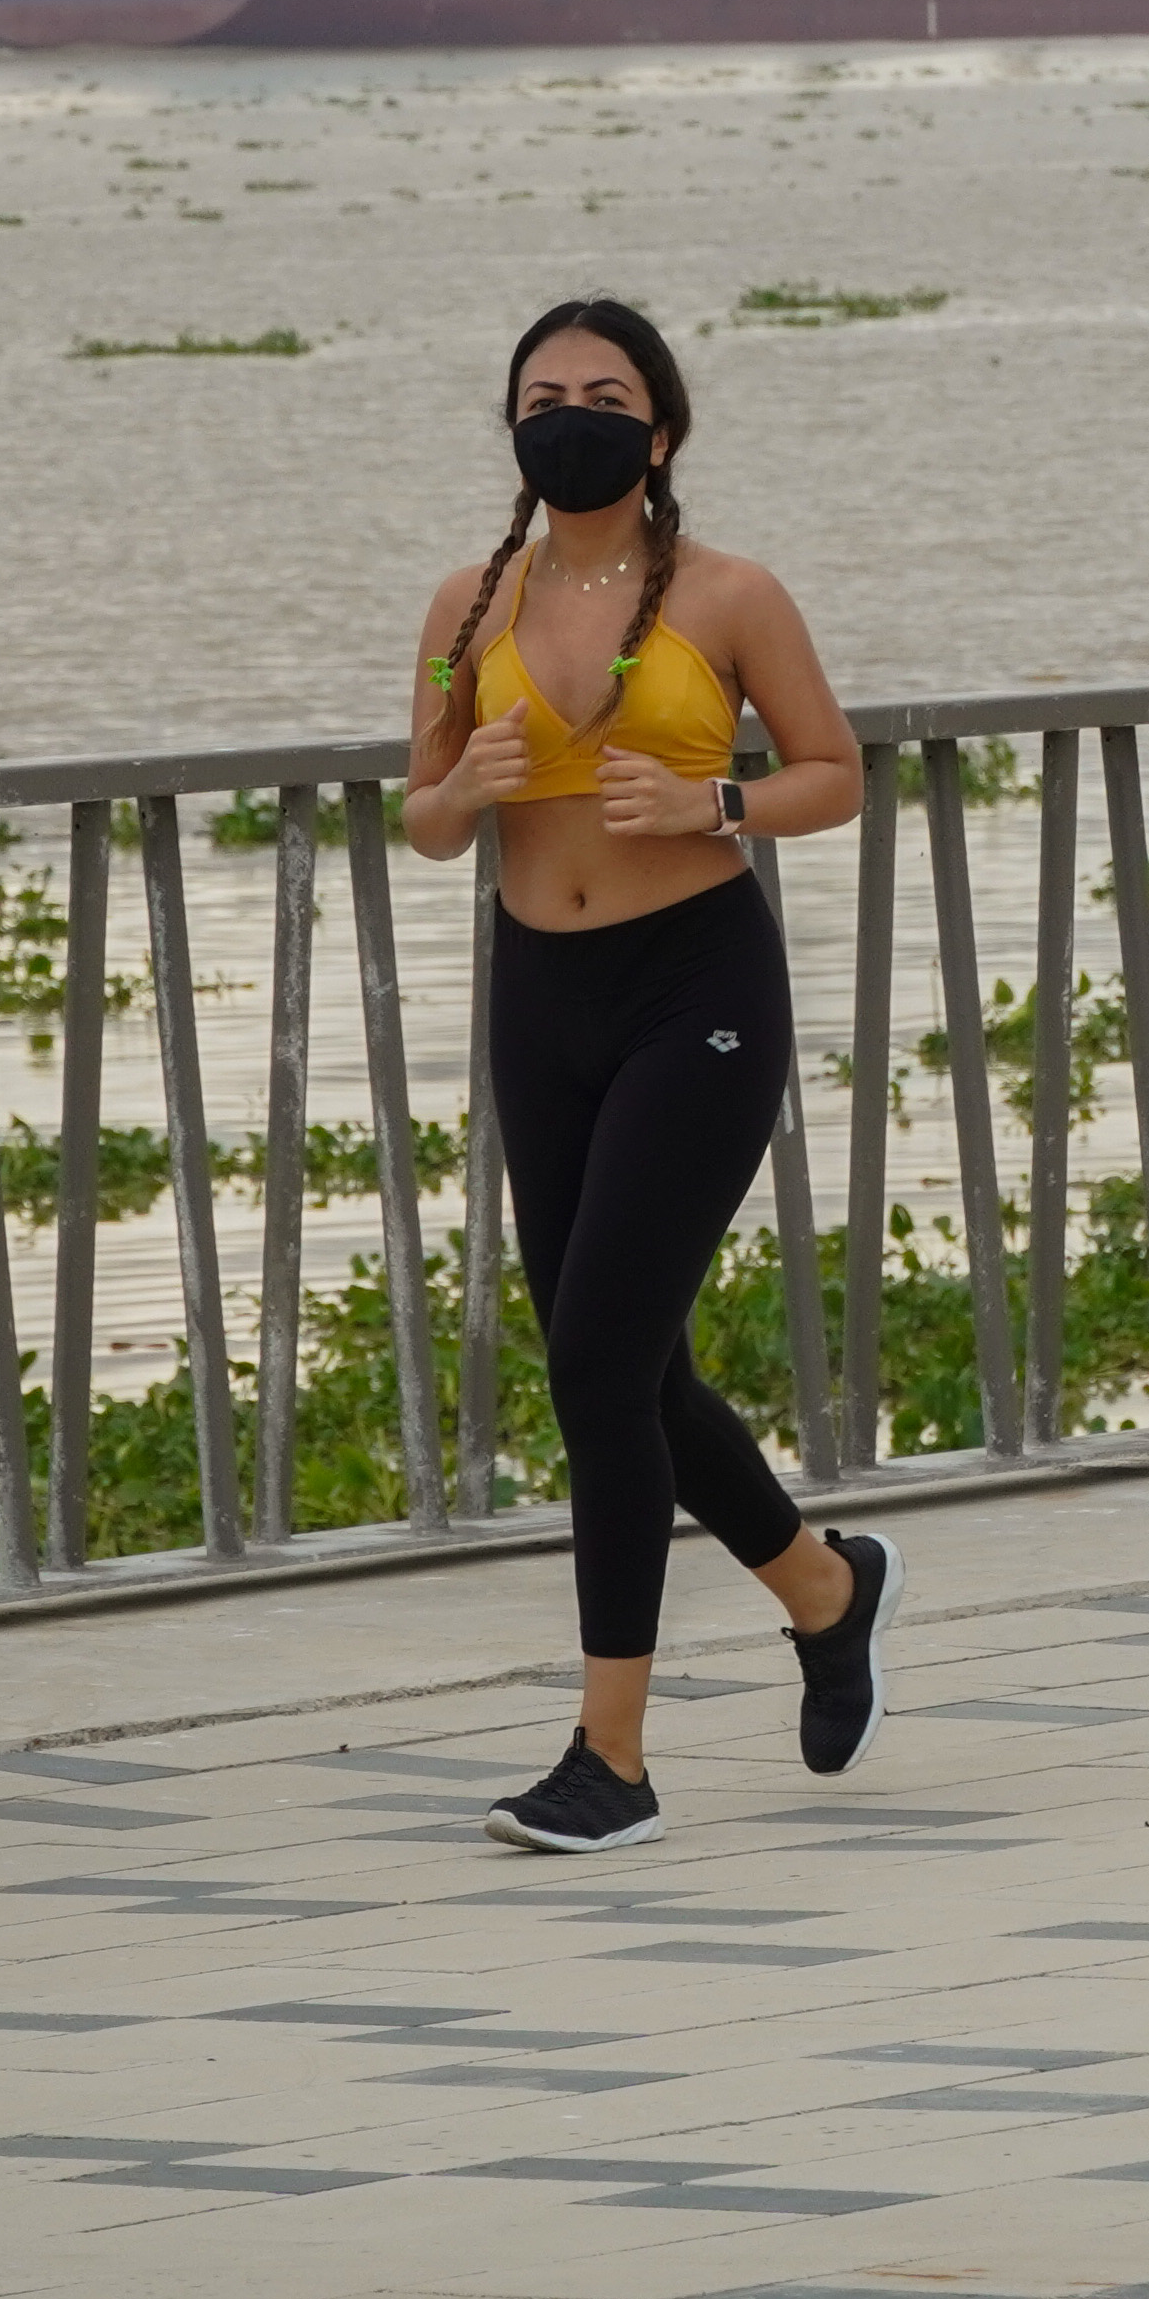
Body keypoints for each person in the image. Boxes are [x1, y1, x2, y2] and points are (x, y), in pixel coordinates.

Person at [398, 296, 902, 1850]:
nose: (571, 415)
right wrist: (465, 789)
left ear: (660, 428)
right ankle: (822, 1586)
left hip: (696, 988)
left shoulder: (732, 595)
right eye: (542, 393)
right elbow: (415, 813)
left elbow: (835, 772)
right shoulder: (464, 608)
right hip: (538, 994)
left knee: (602, 1367)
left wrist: (720, 807)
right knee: (622, 1363)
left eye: (604, 393)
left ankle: (610, 1758)